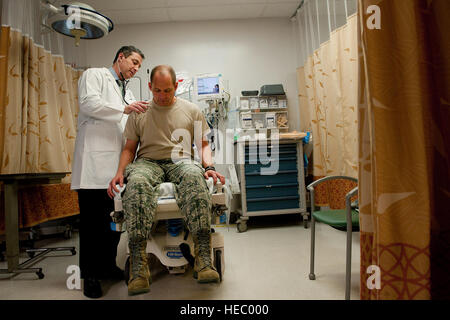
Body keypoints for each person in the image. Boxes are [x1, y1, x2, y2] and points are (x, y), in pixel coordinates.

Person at [107, 65, 225, 296]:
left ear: (176, 87)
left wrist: (209, 167)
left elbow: (202, 144)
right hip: (148, 162)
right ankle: (139, 268)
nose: (162, 96)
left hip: (182, 161)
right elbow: (130, 148)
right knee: (137, 183)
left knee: (194, 177)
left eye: (167, 91)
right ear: (150, 87)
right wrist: (120, 172)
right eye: (157, 91)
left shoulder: (191, 110)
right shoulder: (139, 111)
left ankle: (202, 257)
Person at [71, 45, 148, 299]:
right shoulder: (94, 75)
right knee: (92, 225)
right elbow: (89, 104)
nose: (135, 68)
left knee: (113, 223)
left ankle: (107, 266)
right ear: (120, 57)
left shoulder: (125, 91)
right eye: (133, 62)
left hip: (115, 169)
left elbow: (126, 126)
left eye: (138, 65)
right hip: (93, 166)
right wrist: (125, 109)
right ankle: (90, 276)